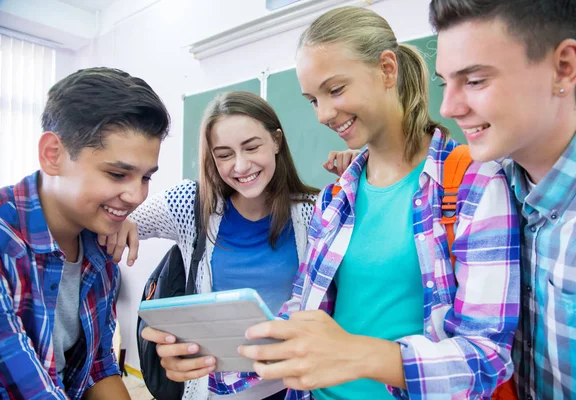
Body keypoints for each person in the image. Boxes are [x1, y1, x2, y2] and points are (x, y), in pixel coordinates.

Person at [144, 6, 521, 399]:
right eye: (312, 100)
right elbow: (305, 313)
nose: (323, 114)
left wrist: (355, 354)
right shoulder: (336, 198)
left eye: (336, 90)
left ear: (387, 70)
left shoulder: (473, 184)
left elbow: (487, 357)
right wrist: (212, 357)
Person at [105, 91, 355, 400]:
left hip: (292, 387)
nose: (240, 166)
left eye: (251, 147)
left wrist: (360, 179)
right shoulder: (189, 204)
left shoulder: (314, 210)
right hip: (212, 390)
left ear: (276, 141)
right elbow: (107, 218)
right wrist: (122, 220)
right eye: (224, 154)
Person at [430, 0, 576, 398]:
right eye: (444, 82)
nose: (449, 107)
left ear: (564, 68)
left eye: (474, 81)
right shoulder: (484, 186)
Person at [0, 67, 170, 399]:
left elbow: (96, 367)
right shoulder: (6, 240)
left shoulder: (101, 244)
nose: (136, 196)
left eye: (146, 177)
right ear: (53, 155)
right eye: (118, 174)